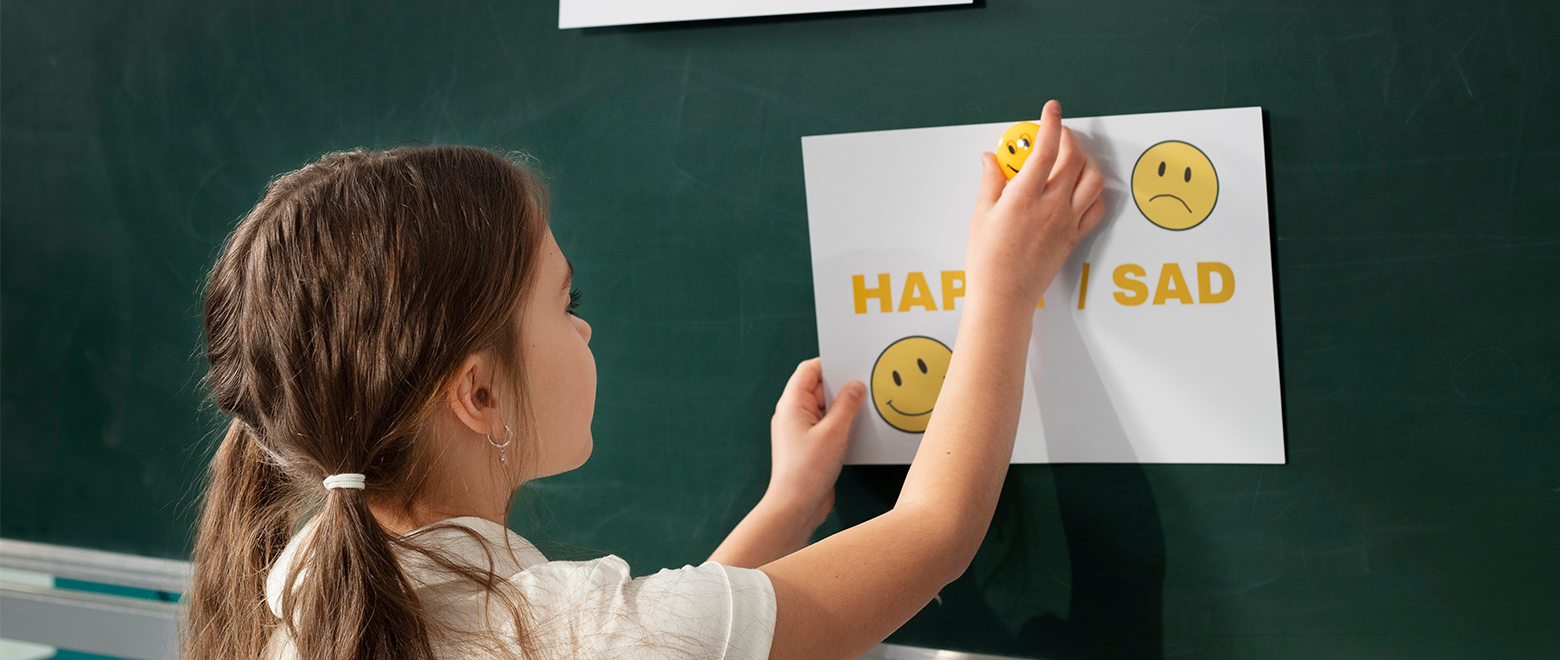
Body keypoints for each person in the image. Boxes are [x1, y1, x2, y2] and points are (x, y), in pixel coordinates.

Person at [181, 100, 1103, 660]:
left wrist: (787, 507)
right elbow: (933, 532)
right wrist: (1005, 287)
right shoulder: (574, 634)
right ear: (481, 395)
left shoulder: (304, 591)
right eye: (563, 300)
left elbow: (665, 642)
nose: (583, 326)